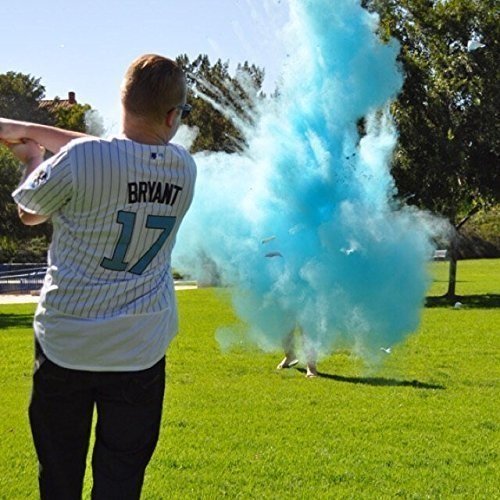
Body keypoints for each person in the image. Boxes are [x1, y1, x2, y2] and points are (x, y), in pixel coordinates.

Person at [0, 54, 196, 499]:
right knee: (120, 481)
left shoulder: (82, 159)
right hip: (139, 348)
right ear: (171, 116)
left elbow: (29, 212)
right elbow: (108, 151)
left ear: (122, 101)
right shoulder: (184, 167)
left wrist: (31, 156)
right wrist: (25, 127)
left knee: (59, 476)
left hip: (67, 341)